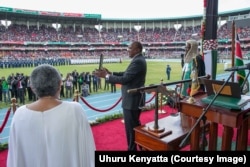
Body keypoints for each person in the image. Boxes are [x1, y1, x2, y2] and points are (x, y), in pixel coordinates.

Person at [7, 64, 95, 167]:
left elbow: (15, 158)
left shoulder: (19, 114)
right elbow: (88, 153)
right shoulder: (75, 110)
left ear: (32, 88)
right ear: (59, 84)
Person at [95, 41, 147, 151]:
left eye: (130, 48)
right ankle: (142, 145)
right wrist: (110, 73)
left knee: (131, 129)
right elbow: (126, 74)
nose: (128, 49)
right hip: (134, 100)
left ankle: (132, 150)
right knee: (136, 126)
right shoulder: (138, 60)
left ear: (137, 49)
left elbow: (124, 79)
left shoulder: (138, 61)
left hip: (132, 101)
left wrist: (107, 76)